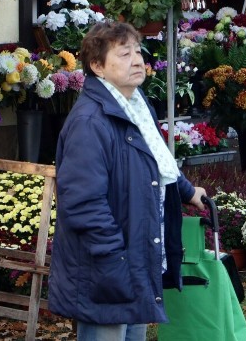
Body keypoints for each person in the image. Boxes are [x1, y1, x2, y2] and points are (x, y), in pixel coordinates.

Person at [48, 21, 207, 341]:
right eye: (123, 54)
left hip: (134, 261)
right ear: (97, 66)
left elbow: (156, 159)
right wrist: (116, 262)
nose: (137, 60)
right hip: (108, 269)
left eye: (137, 51)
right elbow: (83, 204)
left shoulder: (135, 104)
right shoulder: (90, 122)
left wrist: (188, 192)